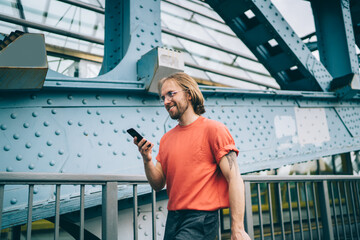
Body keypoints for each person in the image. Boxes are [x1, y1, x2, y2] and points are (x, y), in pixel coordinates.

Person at [133, 72, 251, 240]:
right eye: (163, 97)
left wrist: (237, 229)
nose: (166, 101)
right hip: (174, 217)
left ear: (189, 94)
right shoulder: (166, 139)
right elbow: (158, 184)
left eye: (171, 94)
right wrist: (147, 160)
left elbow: (234, 178)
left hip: (202, 217)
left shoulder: (214, 129)